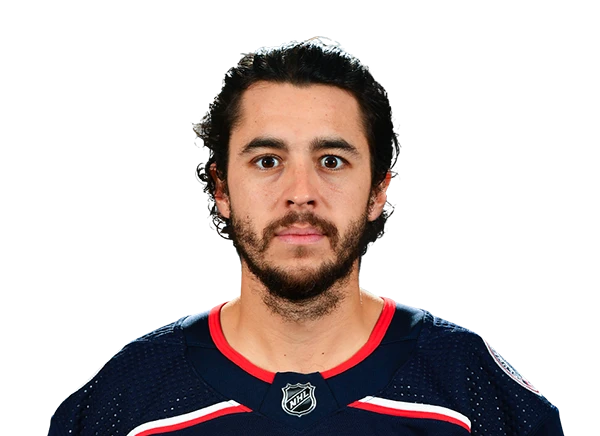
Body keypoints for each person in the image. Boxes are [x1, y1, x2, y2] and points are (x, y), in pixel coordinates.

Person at [48, 40, 565, 435]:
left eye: (331, 161)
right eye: (267, 161)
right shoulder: (128, 399)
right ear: (221, 190)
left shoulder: (469, 390)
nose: (300, 193)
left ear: (378, 191)